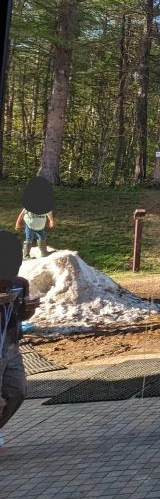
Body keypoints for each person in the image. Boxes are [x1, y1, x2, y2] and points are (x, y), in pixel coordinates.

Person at [0, 230, 35, 449]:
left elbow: (21, 315)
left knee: (17, 390)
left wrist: (29, 309)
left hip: (10, 346)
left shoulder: (20, 283)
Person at [15, 175, 56, 260]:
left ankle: (44, 253)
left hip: (40, 226)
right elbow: (21, 214)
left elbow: (49, 214)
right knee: (29, 238)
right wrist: (17, 223)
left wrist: (51, 221)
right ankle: (26, 255)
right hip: (30, 225)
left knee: (42, 238)